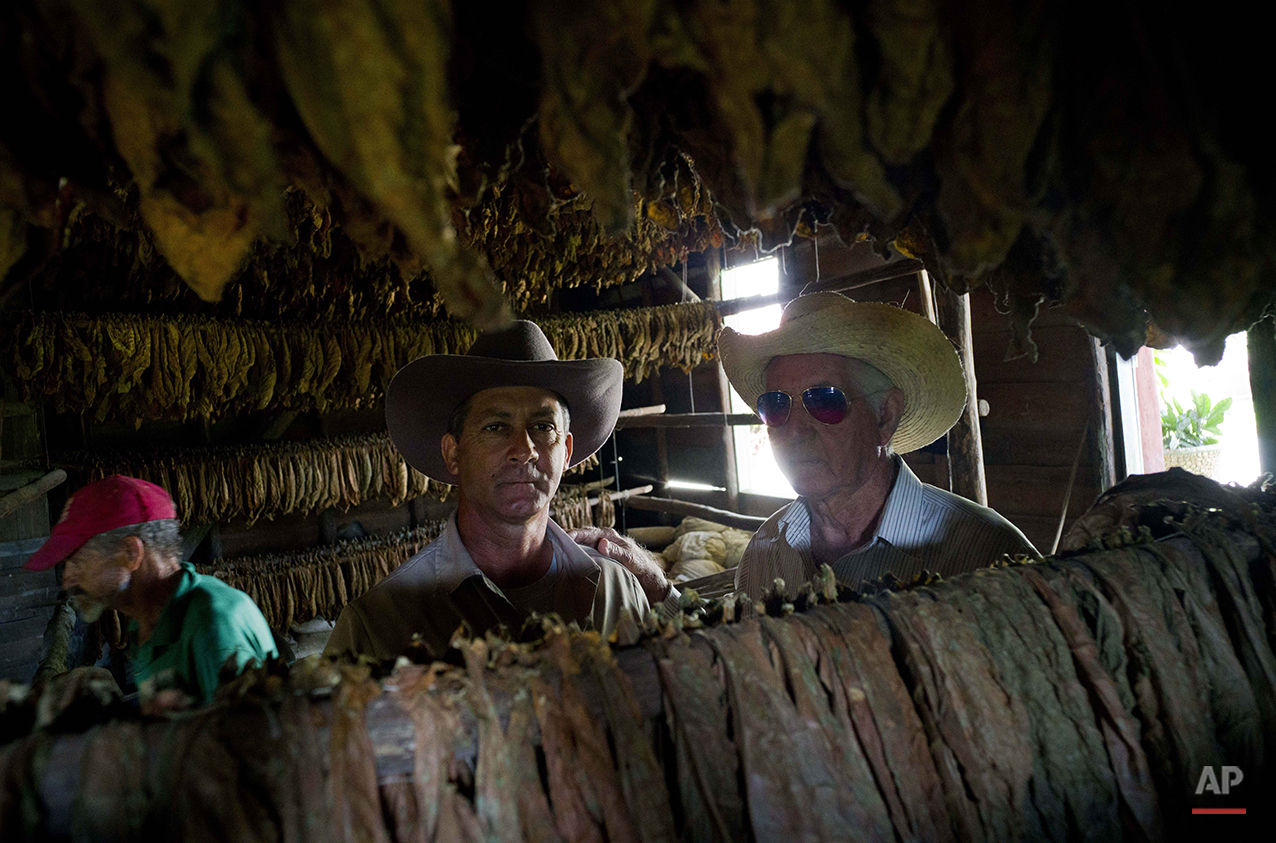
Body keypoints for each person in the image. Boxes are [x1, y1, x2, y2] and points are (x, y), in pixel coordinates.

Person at [324, 321, 660, 662]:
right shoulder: (380, 627)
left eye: (543, 427)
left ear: (567, 452)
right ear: (454, 454)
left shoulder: (618, 591)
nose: (525, 449)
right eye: (496, 427)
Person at [719, 292, 1039, 600]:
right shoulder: (764, 552)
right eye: (775, 405)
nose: (795, 430)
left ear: (885, 417)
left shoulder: (988, 555)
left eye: (824, 400)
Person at [24, 476, 277, 704]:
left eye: (77, 561)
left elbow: (252, 746)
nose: (68, 579)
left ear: (130, 553)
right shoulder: (144, 625)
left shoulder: (213, 623)